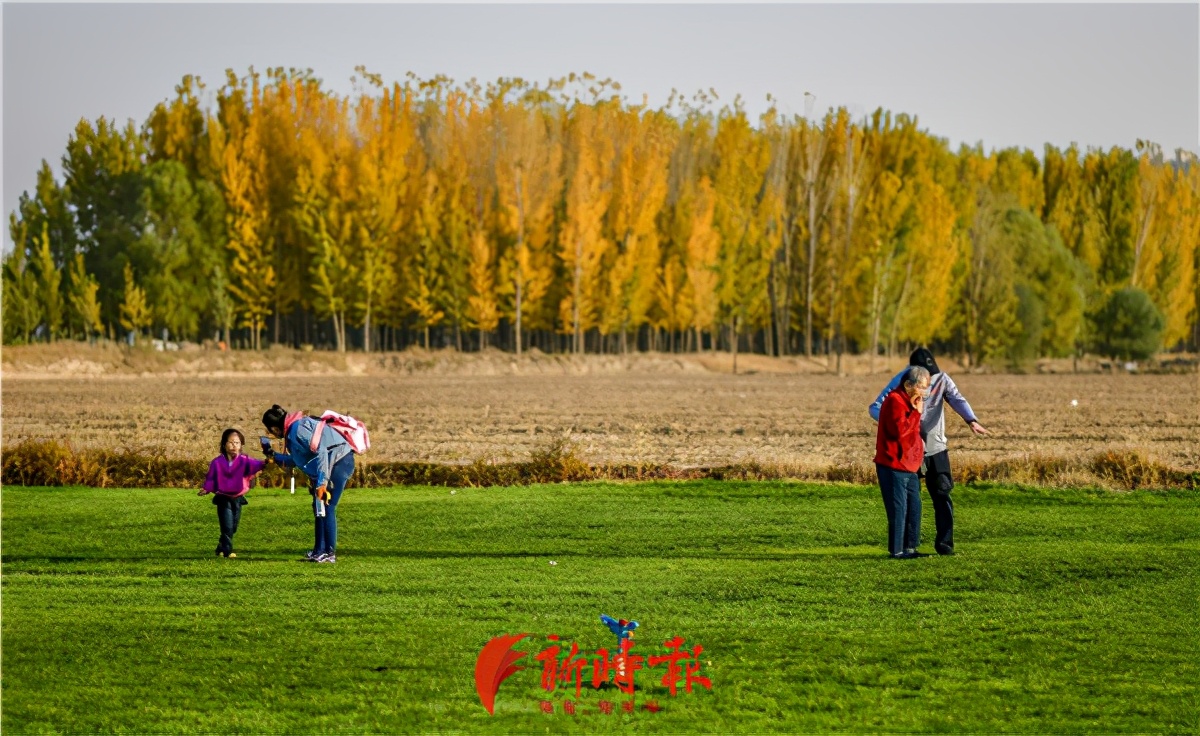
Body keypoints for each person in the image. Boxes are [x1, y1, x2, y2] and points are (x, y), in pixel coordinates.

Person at [869, 348, 990, 555]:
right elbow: (875, 407)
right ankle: (906, 547)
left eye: (931, 377)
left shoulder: (942, 379)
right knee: (908, 500)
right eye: (924, 381)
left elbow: (956, 398)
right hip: (909, 451)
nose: (928, 384)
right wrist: (894, 424)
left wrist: (971, 420)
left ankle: (944, 544)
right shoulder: (902, 381)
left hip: (936, 447)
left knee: (942, 494)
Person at [262, 404, 355, 564]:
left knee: (326, 506)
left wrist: (322, 483)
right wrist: (273, 455)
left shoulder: (297, 429)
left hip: (339, 462)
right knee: (318, 507)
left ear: (274, 428)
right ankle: (319, 550)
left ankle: (329, 553)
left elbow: (322, 451)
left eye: (270, 431)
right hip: (334, 464)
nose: (271, 434)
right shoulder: (293, 431)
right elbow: (298, 461)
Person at [874, 365, 930, 558]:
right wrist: (916, 412)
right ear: (908, 384)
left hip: (910, 466)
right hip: (893, 465)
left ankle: (910, 548)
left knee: (914, 506)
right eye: (921, 387)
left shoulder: (910, 401)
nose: (924, 392)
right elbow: (900, 432)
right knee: (899, 509)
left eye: (926, 387)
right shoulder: (894, 401)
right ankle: (897, 551)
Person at [199, 428, 269, 558]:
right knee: (227, 526)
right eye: (230, 443)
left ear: (241, 445)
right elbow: (211, 478)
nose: (233, 446)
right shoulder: (217, 462)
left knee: (233, 527)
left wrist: (267, 462)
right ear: (224, 445)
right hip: (223, 498)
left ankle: (220, 547)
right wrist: (207, 488)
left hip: (238, 499)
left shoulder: (244, 460)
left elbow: (257, 465)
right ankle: (227, 551)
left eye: (236, 443)